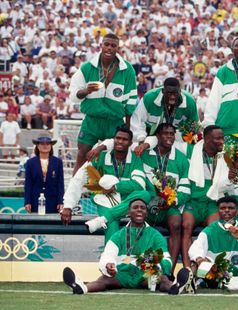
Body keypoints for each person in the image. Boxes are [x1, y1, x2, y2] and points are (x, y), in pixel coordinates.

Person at [84, 123, 190, 274]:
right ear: (157, 137)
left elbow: (186, 189)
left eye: (172, 134)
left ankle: (168, 271)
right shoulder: (142, 153)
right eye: (165, 134)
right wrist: (101, 147)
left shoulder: (181, 159)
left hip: (168, 205)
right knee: (141, 208)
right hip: (148, 204)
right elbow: (116, 143)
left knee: (176, 223)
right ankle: (124, 267)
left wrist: (172, 201)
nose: (169, 137)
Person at [63, 198, 193, 295]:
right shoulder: (118, 235)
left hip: (145, 274)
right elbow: (108, 255)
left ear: (147, 213)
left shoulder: (155, 235)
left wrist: (156, 265)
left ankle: (175, 287)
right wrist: (109, 266)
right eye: (135, 207)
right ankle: (82, 287)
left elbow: (166, 259)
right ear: (128, 213)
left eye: (142, 208)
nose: (139, 210)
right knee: (104, 279)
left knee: (162, 278)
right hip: (123, 273)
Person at [61, 127, 147, 244]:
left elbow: (139, 184)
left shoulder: (136, 159)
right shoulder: (99, 157)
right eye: (118, 138)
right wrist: (68, 206)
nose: (120, 141)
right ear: (113, 140)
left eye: (124, 139)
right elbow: (78, 179)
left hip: (127, 201)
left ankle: (103, 219)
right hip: (105, 199)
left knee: (145, 194)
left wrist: (115, 187)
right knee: (112, 224)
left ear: (130, 143)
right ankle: (109, 260)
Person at [69, 33, 137, 174]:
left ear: (118, 48)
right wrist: (86, 91)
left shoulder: (127, 69)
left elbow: (131, 101)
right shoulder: (87, 67)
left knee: (114, 160)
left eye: (113, 45)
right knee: (81, 156)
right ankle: (72, 195)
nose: (109, 48)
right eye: (106, 44)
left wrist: (127, 130)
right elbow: (73, 95)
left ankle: (112, 192)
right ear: (101, 45)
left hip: (115, 122)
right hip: (92, 120)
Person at [181, 125, 232, 267]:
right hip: (194, 202)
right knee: (186, 225)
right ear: (206, 138)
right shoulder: (191, 150)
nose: (221, 141)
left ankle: (212, 267)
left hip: (213, 202)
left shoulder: (227, 155)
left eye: (222, 138)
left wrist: (231, 177)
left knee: (215, 228)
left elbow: (233, 183)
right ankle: (187, 268)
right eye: (217, 138)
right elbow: (168, 141)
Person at [130, 77, 199, 144]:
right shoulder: (149, 97)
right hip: (149, 136)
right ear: (163, 91)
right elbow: (137, 122)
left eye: (175, 93)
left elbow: (196, 128)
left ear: (180, 91)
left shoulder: (190, 102)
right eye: (169, 93)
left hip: (177, 139)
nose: (172, 97)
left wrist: (187, 145)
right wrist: (142, 139)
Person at [24, 136, 64, 214]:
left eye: (48, 144)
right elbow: (28, 184)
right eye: (42, 144)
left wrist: (60, 201)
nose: (45, 146)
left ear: (51, 146)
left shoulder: (58, 162)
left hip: (53, 201)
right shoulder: (30, 163)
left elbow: (60, 184)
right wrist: (27, 202)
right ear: (37, 146)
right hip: (35, 201)